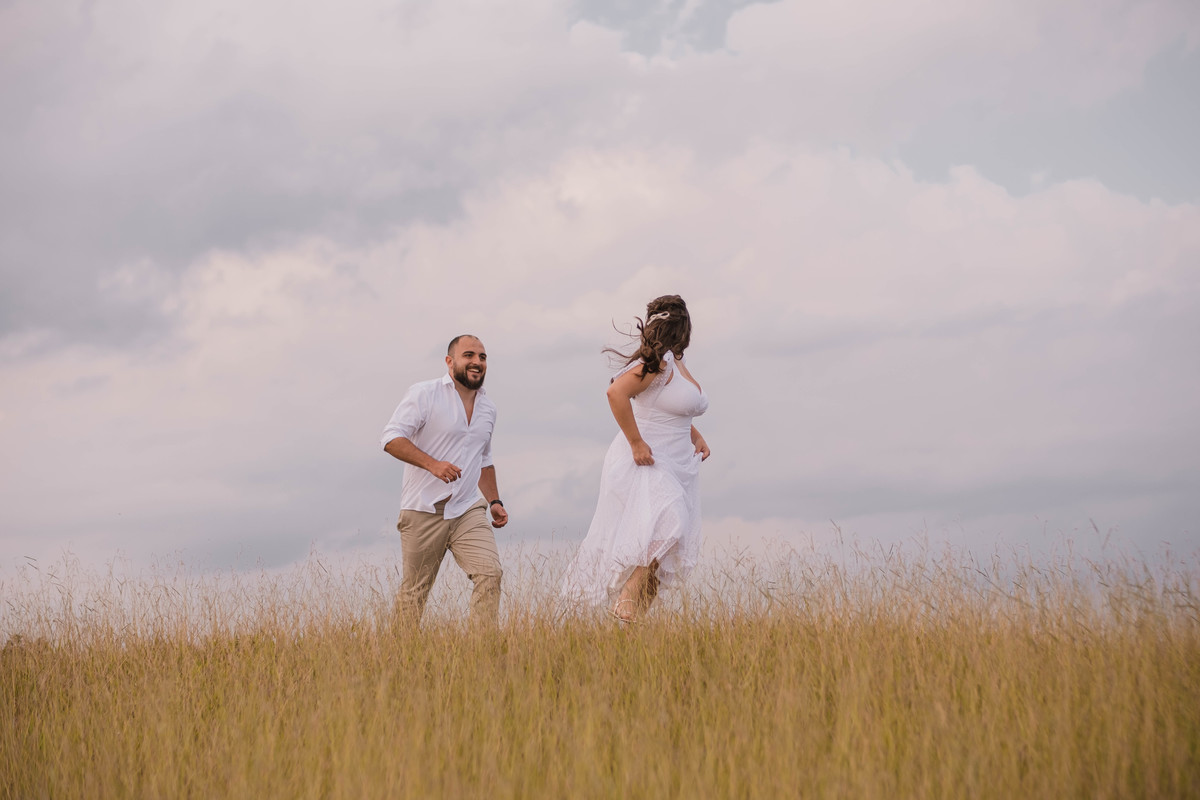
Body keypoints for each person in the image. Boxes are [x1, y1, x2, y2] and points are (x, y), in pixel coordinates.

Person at [561, 295, 710, 623]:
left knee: (671, 544)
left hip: (676, 461)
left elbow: (669, 408)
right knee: (672, 523)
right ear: (684, 327)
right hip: (645, 458)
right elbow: (616, 393)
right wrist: (636, 442)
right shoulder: (654, 363)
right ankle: (627, 600)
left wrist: (695, 435)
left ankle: (630, 620)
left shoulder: (674, 362)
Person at [381, 335, 509, 627]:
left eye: (483, 356)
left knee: (490, 574)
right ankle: (400, 659)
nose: (477, 362)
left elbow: (484, 459)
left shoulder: (488, 409)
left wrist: (495, 501)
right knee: (415, 593)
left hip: (467, 509)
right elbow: (390, 439)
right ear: (450, 361)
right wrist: (432, 464)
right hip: (424, 509)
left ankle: (479, 654)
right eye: (469, 355)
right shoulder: (424, 394)